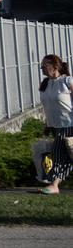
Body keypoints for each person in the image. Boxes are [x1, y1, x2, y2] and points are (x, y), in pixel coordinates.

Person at [40, 54, 73, 194]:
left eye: (45, 65)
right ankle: (54, 184)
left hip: (68, 125)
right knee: (68, 156)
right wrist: (47, 124)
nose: (42, 67)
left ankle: (54, 185)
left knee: (58, 155)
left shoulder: (67, 81)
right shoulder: (45, 83)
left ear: (55, 66)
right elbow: (47, 105)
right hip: (54, 125)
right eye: (41, 65)